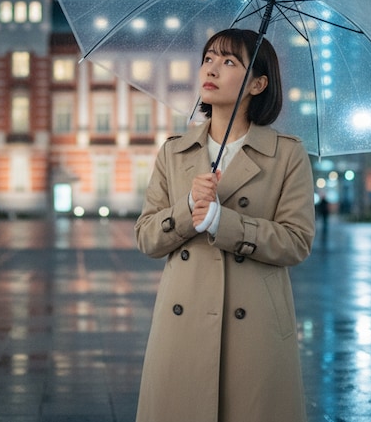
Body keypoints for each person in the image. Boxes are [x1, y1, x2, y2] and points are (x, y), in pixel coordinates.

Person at [134, 28, 315, 422]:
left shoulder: (288, 155)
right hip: (181, 330)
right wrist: (187, 209)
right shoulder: (174, 152)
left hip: (256, 333)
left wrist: (223, 222)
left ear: (258, 83)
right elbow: (147, 237)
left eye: (229, 62)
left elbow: (297, 242)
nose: (212, 68)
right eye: (209, 58)